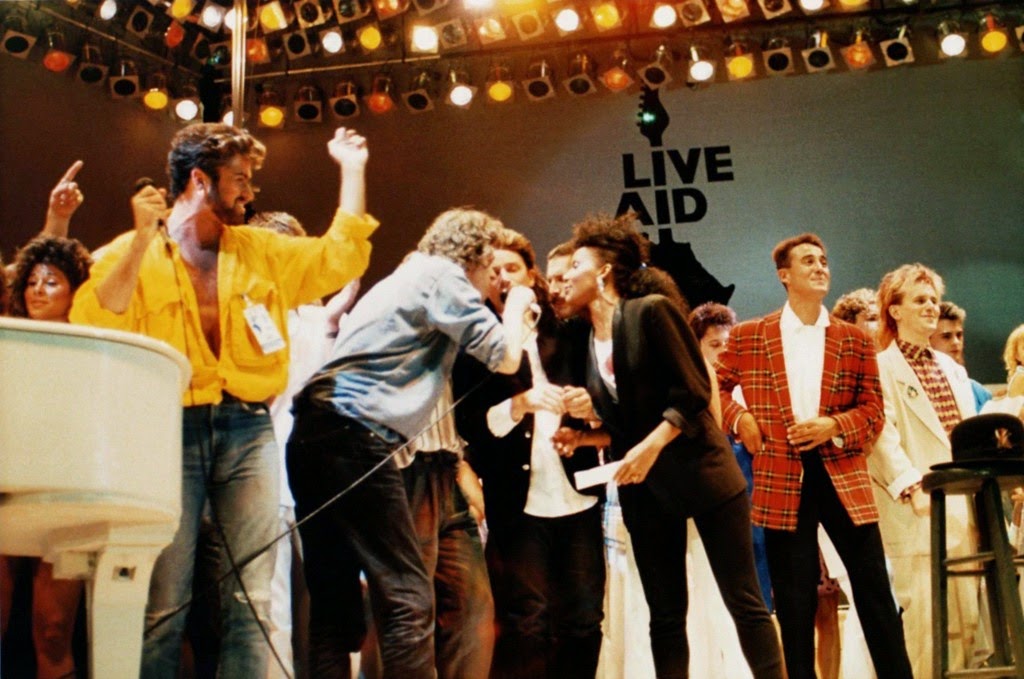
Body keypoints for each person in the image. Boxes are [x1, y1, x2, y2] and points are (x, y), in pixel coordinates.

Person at [70, 124, 376, 678]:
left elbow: (340, 258)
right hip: (169, 430)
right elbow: (95, 315)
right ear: (198, 179)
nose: (248, 193)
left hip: (248, 429)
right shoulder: (134, 250)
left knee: (253, 596)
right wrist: (141, 238)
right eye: (238, 180)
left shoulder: (259, 249)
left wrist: (352, 170)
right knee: (165, 601)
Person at [286, 207, 536, 679]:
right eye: (491, 273)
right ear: (477, 259)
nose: (492, 285)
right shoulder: (442, 275)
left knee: (334, 604)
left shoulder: (402, 280)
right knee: (407, 596)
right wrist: (519, 304)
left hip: (312, 433)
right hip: (355, 437)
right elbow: (504, 358)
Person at [555, 213, 784, 679]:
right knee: (665, 614)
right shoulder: (583, 341)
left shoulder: (652, 310)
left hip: (703, 474)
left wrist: (649, 447)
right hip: (646, 490)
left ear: (602, 271)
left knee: (744, 601)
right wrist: (587, 434)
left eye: (573, 265)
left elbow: (695, 391)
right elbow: (628, 423)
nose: (562, 279)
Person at [715, 233, 913, 679]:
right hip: (782, 478)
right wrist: (739, 419)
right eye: (808, 260)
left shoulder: (853, 339)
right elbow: (715, 383)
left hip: (842, 472)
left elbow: (872, 409)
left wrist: (834, 426)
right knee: (795, 602)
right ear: (784, 275)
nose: (820, 266)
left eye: (824, 259)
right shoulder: (750, 335)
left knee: (875, 594)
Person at [453, 228, 604, 679]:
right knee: (526, 620)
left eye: (512, 268)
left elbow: (603, 399)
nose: (502, 278)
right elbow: (471, 427)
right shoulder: (473, 346)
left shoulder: (570, 330)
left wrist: (587, 406)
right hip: (516, 500)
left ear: (531, 273)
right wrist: (518, 404)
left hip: (575, 492)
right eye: (493, 271)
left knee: (583, 617)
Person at [867, 265, 981, 678]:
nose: (931, 306)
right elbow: (881, 437)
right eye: (920, 300)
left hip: (964, 511)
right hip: (918, 513)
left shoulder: (954, 370)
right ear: (894, 311)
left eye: (933, 299)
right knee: (928, 629)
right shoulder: (879, 368)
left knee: (971, 627)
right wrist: (912, 487)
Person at [1, 235, 92, 679]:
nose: (38, 289)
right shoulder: (10, 338)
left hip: (65, 495)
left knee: (54, 629)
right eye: (32, 281)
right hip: (6, 487)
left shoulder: (94, 349)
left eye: (52, 282)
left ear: (76, 291)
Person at [930, 300, 993, 413]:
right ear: (928, 340)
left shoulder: (980, 393)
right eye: (946, 336)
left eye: (959, 335)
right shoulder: (923, 389)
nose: (956, 342)